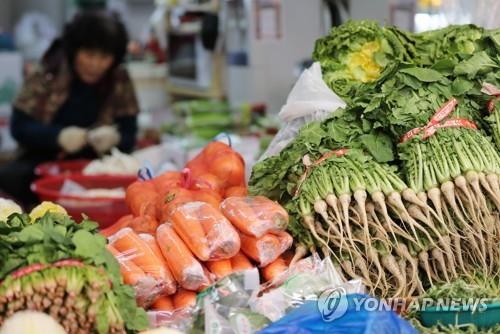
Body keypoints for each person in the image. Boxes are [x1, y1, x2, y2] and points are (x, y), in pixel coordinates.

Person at [0, 11, 139, 207]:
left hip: (96, 168)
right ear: (75, 50)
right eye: (89, 54)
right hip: (44, 162)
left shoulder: (119, 79)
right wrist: (58, 137)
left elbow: (130, 134)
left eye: (104, 57)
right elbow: (19, 126)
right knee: (10, 178)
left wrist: (115, 138)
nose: (95, 64)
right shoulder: (49, 71)